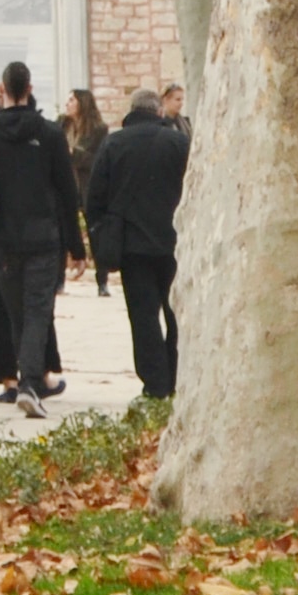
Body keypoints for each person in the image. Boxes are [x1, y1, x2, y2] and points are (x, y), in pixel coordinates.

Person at [0, 61, 86, 418]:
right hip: (43, 235)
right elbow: (67, 192)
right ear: (30, 88)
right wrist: (77, 247)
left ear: (2, 90)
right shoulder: (49, 133)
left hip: (3, 239)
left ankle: (28, 379)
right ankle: (31, 382)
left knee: (17, 311)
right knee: (38, 309)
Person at [82, 89, 185, 399]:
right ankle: (177, 375)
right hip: (175, 244)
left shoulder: (114, 143)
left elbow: (94, 197)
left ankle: (154, 383)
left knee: (143, 318)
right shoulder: (179, 143)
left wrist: (100, 235)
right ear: (159, 112)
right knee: (177, 313)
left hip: (132, 245)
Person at [63, 89, 110, 284]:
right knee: (65, 228)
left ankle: (102, 277)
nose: (68, 103)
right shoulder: (62, 125)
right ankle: (65, 272)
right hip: (66, 184)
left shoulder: (98, 129)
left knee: (94, 231)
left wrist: (74, 153)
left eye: (72, 100)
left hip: (88, 186)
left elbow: (97, 160)